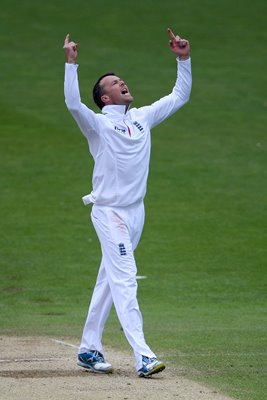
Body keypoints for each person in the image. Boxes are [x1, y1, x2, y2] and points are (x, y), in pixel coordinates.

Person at [63, 28, 192, 377]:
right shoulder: (98, 126)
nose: (123, 83)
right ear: (105, 99)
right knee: (125, 279)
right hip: (109, 213)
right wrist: (71, 65)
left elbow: (179, 96)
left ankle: (89, 349)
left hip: (136, 212)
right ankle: (144, 356)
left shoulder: (142, 118)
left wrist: (183, 59)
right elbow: (73, 105)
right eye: (115, 83)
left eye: (122, 79)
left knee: (109, 281)